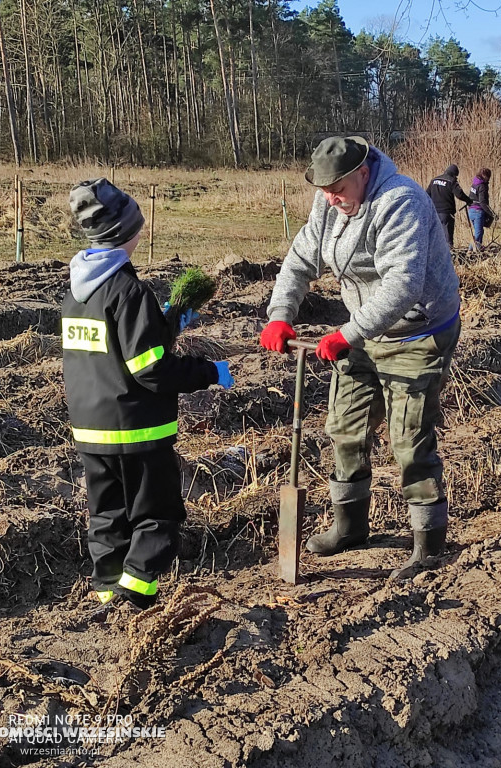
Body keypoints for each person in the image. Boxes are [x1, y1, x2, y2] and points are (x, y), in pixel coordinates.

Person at [260, 136, 460, 579]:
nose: (332, 199)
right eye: (325, 191)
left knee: (409, 440)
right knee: (344, 428)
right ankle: (350, 527)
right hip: (363, 331)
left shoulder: (400, 200)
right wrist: (280, 314)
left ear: (364, 174)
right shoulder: (328, 202)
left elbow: (402, 285)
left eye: (340, 190)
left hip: (417, 331)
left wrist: (346, 333)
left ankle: (428, 547)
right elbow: (300, 258)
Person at [62, 178, 234, 611]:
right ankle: (136, 596)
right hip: (136, 430)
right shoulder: (129, 291)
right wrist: (209, 371)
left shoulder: (78, 292)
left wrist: (168, 324)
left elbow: (118, 352)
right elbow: (151, 369)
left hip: (91, 428)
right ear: (126, 232)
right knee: (157, 514)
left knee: (107, 515)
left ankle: (107, 592)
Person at [426, 164, 473, 248]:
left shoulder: (434, 180)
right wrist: (469, 200)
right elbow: (460, 194)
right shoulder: (451, 181)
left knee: (436, 235)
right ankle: (450, 255)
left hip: (434, 212)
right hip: (446, 213)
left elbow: (427, 194)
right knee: (448, 236)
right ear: (454, 174)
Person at [468, 168, 492, 247]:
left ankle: (478, 248)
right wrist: (491, 213)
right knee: (478, 232)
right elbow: (482, 202)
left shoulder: (474, 184)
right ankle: (471, 249)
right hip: (478, 211)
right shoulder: (482, 186)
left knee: (479, 231)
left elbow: (470, 197)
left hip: (471, 210)